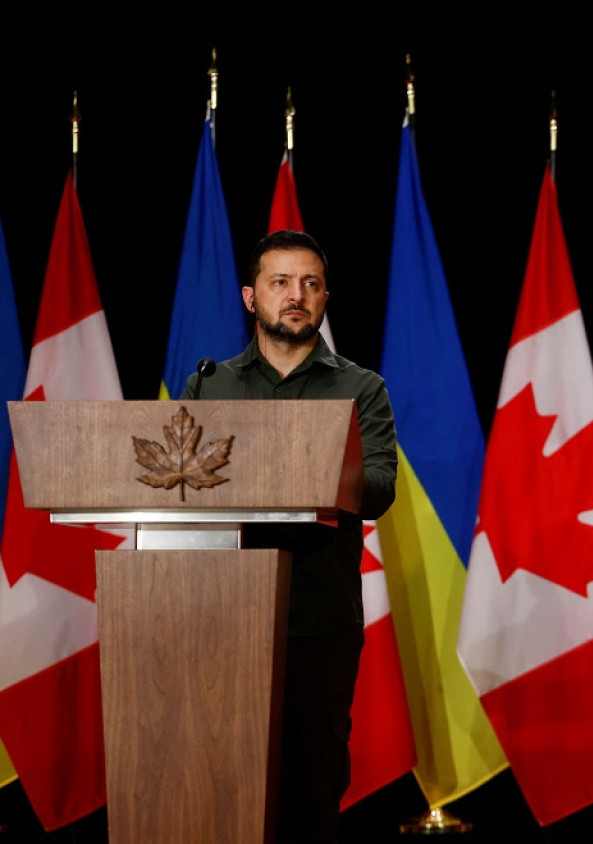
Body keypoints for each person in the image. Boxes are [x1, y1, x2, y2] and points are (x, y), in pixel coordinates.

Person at [181, 229, 398, 843]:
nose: (295, 295)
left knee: (309, 790)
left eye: (309, 283)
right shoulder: (208, 385)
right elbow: (177, 483)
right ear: (252, 298)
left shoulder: (361, 388)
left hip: (317, 617)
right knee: (217, 788)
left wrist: (299, 469)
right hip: (215, 616)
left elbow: (380, 485)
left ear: (326, 297)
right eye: (280, 283)